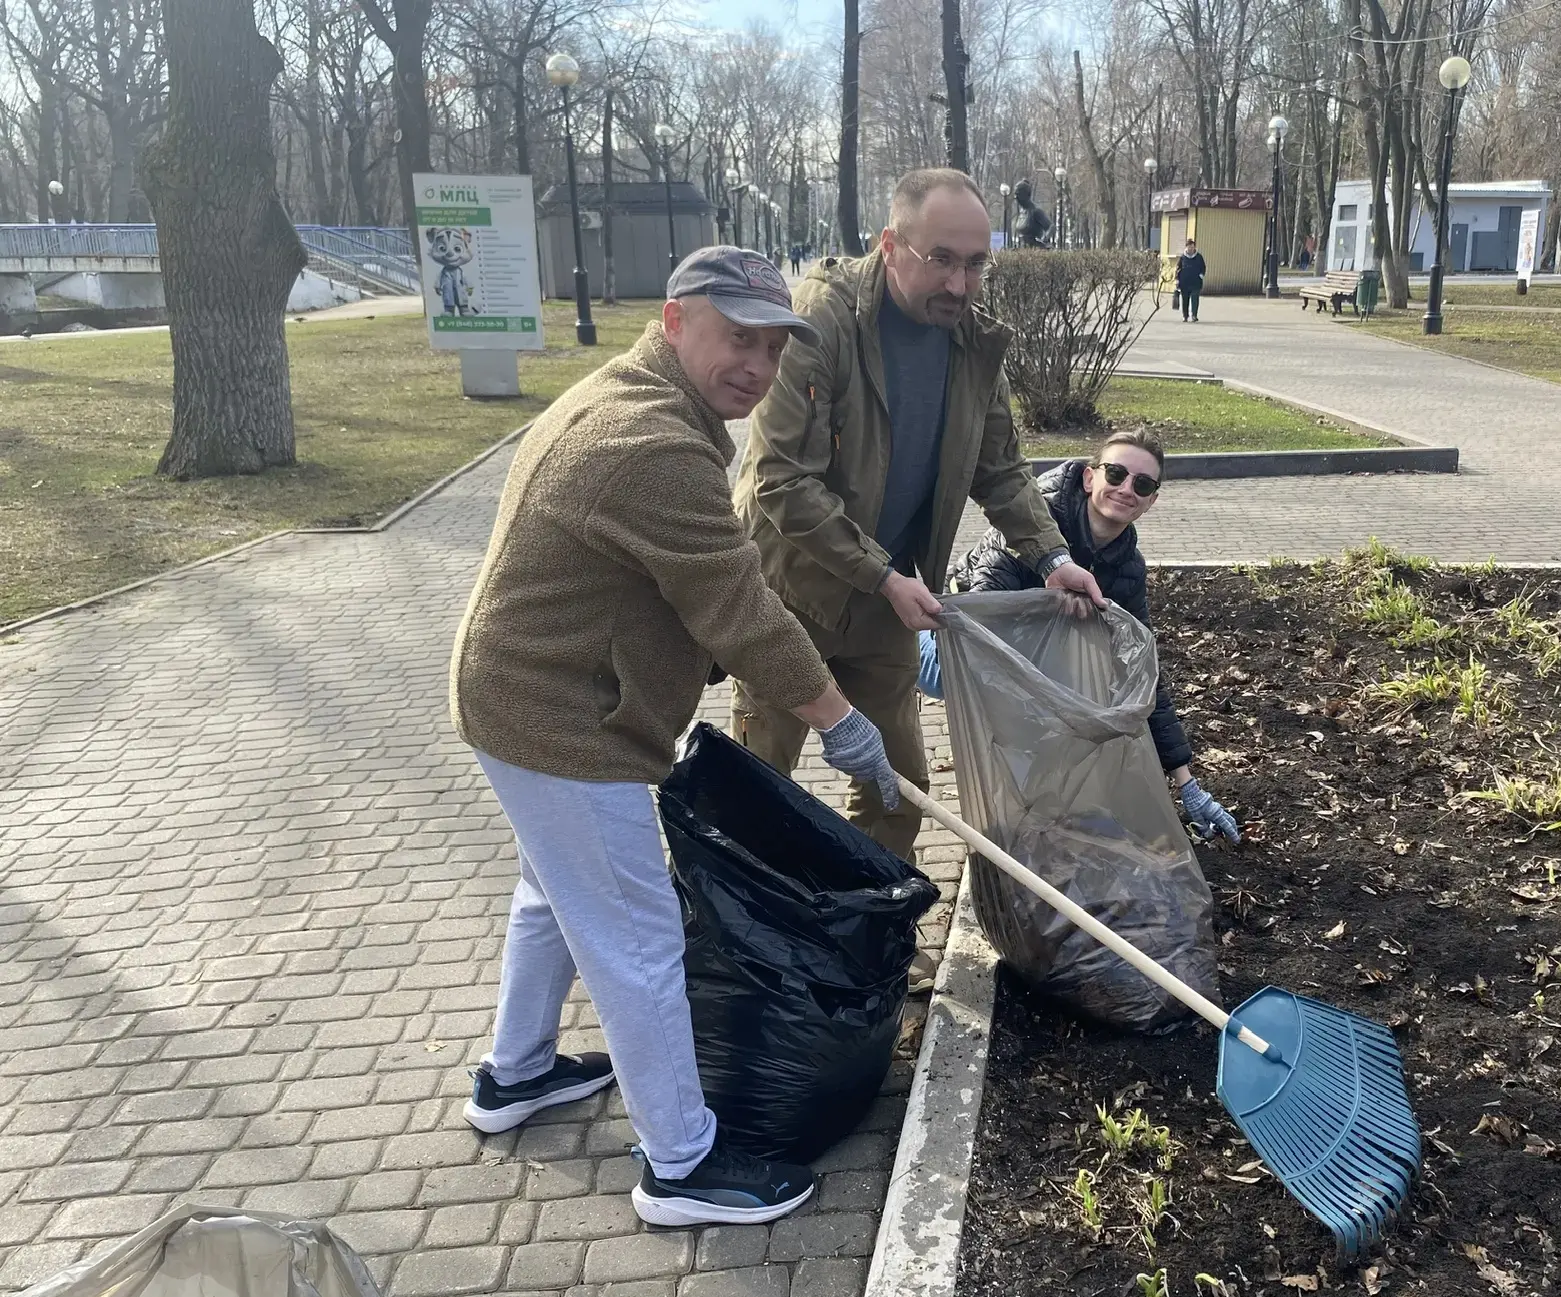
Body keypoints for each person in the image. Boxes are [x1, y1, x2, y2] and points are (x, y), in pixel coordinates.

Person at [448, 247, 898, 1229]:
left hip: (523, 695)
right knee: (637, 939)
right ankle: (682, 1164)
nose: (757, 367)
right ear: (675, 320)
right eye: (739, 338)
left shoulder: (644, 402)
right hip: (562, 719)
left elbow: (678, 592)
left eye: (773, 348)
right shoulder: (649, 443)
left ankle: (515, 1075)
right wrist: (839, 719)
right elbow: (739, 609)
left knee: (553, 892)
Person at [732, 167, 1105, 860]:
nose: (960, 285)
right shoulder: (820, 323)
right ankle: (735, 922)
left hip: (887, 605)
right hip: (790, 597)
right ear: (890, 245)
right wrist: (882, 576)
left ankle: (877, 921)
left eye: (976, 263)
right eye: (941, 260)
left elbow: (1001, 469)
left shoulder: (972, 342)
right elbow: (780, 481)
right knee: (756, 787)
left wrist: (1053, 557)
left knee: (897, 790)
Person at [925, 427, 1240, 843]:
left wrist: (1187, 783)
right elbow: (984, 624)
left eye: (1143, 484)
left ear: (1151, 501)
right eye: (1116, 474)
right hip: (956, 648)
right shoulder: (1029, 521)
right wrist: (1048, 600)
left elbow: (1143, 675)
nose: (1126, 489)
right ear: (1090, 478)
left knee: (1093, 700)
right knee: (1002, 709)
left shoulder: (1126, 568)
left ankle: (1056, 819)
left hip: (1039, 661)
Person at [1173, 237, 1206, 322]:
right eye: (1189, 247)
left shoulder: (1199, 257)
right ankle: (1185, 316)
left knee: (1195, 300)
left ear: (1194, 247)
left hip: (1196, 282)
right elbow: (1178, 269)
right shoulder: (1183, 257)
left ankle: (1194, 315)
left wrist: (1201, 275)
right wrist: (1177, 279)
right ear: (1186, 247)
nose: (1191, 248)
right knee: (1185, 300)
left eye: (1192, 247)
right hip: (1184, 283)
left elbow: (1203, 267)